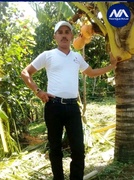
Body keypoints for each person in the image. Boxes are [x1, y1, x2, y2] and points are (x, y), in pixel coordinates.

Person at [20, 21, 117, 180]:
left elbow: (91, 72)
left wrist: (112, 66)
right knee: (55, 148)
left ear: (72, 36)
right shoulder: (48, 55)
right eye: (60, 32)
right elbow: (25, 72)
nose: (64, 35)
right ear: (55, 36)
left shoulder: (77, 57)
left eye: (67, 32)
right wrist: (38, 91)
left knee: (78, 149)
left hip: (73, 108)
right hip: (53, 107)